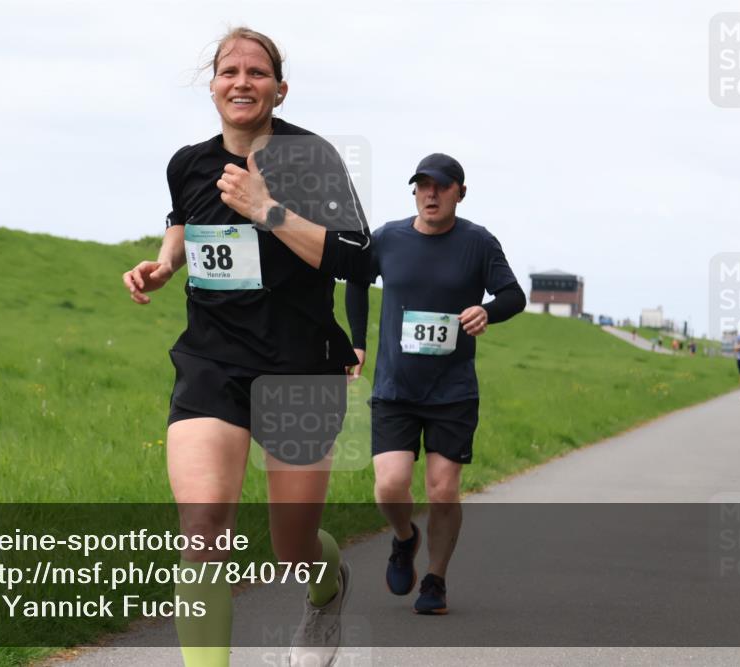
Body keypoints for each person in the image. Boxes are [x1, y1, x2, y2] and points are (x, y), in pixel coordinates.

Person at [122, 28, 370, 667]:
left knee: (291, 551)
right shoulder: (188, 162)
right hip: (212, 360)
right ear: (212, 87)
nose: (241, 81)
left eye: (256, 72)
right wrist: (163, 265)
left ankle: (325, 589)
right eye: (229, 70)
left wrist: (270, 211)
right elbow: (183, 223)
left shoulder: (311, 160)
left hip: (300, 365)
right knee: (203, 531)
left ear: (279, 88)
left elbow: (359, 260)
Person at [344, 153, 526, 615]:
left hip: (452, 390)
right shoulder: (387, 238)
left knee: (443, 489)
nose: (431, 193)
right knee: (390, 485)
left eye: (441, 186)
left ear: (459, 193)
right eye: (423, 185)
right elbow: (356, 282)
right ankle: (405, 538)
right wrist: (357, 343)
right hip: (395, 387)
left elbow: (513, 295)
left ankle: (435, 580)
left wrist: (489, 310)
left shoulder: (478, 244)